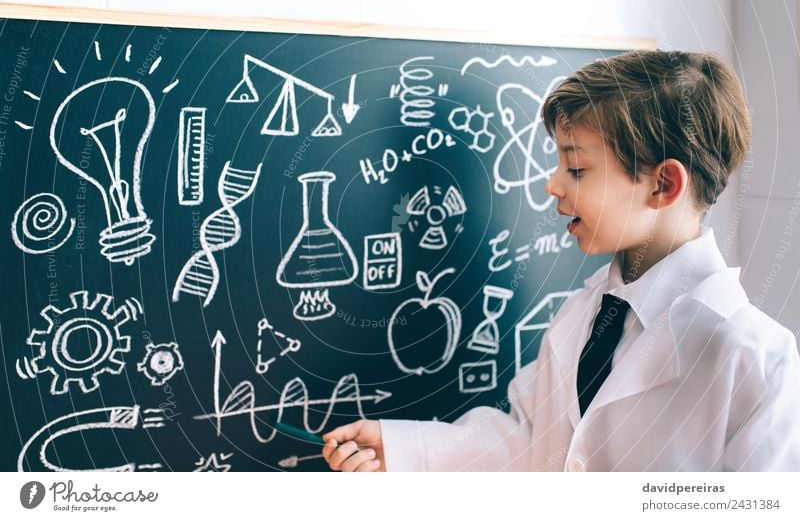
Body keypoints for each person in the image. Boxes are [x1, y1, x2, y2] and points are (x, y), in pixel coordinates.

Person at [321, 50, 800, 471]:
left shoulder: (756, 360)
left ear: (663, 185)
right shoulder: (586, 312)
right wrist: (404, 451)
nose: (552, 184)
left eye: (576, 168)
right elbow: (530, 441)